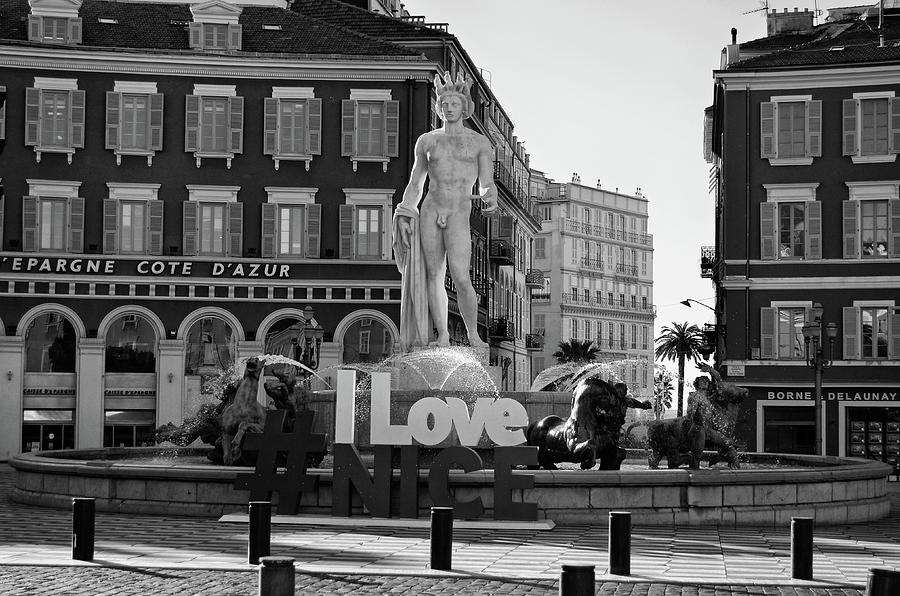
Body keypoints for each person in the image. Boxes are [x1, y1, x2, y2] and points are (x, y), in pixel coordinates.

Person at [393, 72, 498, 351]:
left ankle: (473, 335)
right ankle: (442, 335)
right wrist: (405, 212)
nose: (449, 108)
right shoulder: (427, 141)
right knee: (433, 273)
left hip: (458, 212)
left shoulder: (479, 143)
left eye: (454, 103)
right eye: (445, 104)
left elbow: (487, 182)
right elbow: (416, 182)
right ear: (439, 107)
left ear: (464, 107)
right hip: (431, 208)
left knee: (461, 276)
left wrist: (491, 200)